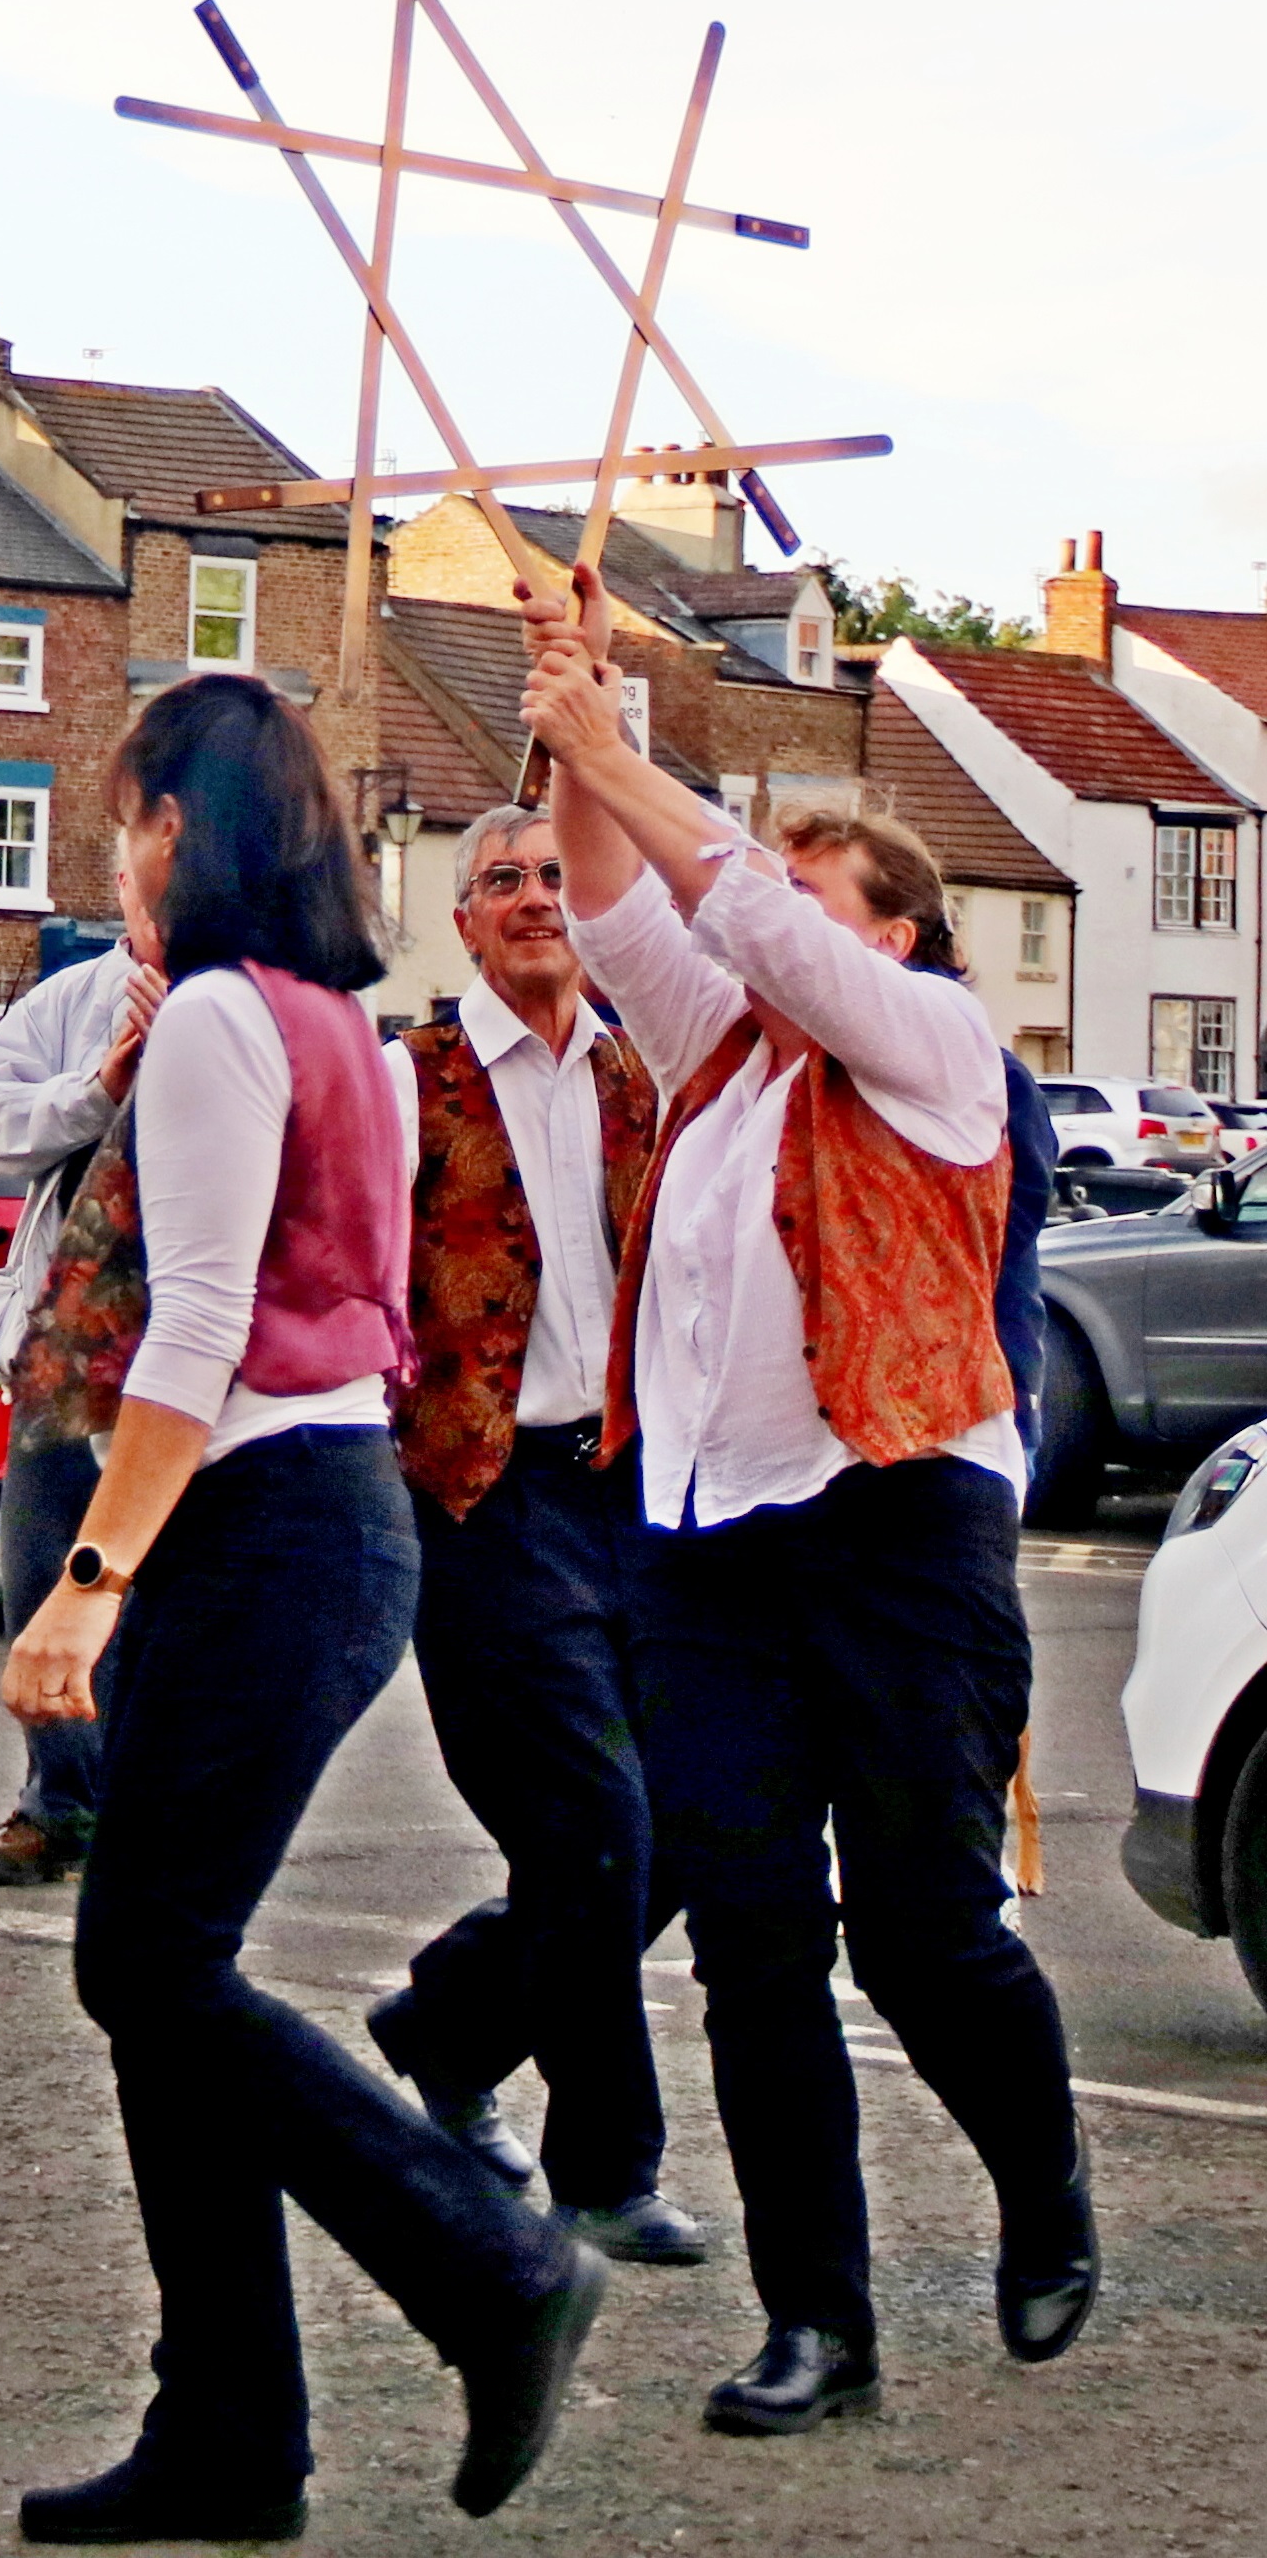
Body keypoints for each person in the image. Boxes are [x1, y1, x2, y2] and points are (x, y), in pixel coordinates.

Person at [4, 675, 604, 2543]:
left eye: (127, 815)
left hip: (259, 1517)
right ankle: (229, 2429)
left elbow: (195, 1329)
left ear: (176, 829)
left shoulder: (209, 1027)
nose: (119, 848)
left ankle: (481, 2263)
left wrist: (82, 1585)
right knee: (161, 1971)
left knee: (146, 1963)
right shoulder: (335, 1025)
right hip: (324, 1514)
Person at [523, 567, 1096, 2439]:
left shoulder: (937, 1056)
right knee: (750, 1938)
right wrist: (571, 715)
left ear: (901, 940)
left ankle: (1041, 2184)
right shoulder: (719, 1061)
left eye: (819, 898)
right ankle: (815, 2323)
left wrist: (622, 748)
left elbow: (739, 913)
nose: (772, 929)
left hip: (896, 1526)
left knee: (920, 1925)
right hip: (708, 1543)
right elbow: (620, 905)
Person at [365, 804, 704, 2267]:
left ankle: (446, 2022)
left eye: (556, 877)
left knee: (672, 1828)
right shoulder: (409, 1081)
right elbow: (355, 1288)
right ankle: (608, 2170)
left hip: (628, 1486)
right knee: (588, 1825)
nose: (535, 899)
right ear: (463, 924)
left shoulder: (645, 1079)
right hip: (480, 1497)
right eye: (502, 881)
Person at [0, 871, 165, 1887]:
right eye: (145, 879)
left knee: (179, 1597)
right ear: (119, 886)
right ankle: (60, 1801)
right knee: (49, 1573)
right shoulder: (66, 1004)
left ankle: (158, 1813)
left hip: (197, 1353)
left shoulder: (258, 1001)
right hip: (68, 1347)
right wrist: (100, 1088)